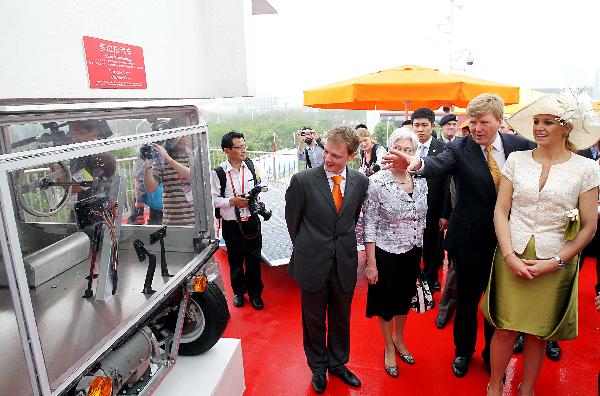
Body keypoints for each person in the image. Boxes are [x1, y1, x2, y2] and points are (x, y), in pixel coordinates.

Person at [382, 93, 536, 378]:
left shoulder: (521, 146)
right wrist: (415, 164)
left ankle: (493, 355)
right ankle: (463, 352)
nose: (477, 128)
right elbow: (437, 165)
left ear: (500, 121)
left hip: (511, 242)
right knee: (466, 303)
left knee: (499, 304)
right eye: (473, 122)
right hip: (469, 241)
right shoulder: (458, 147)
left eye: (484, 122)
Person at [483, 89, 600, 396]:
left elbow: (589, 227)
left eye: (548, 122)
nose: (539, 128)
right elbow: (500, 210)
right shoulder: (517, 159)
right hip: (513, 252)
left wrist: (557, 261)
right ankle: (495, 384)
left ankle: (527, 389)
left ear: (567, 127)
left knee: (538, 334)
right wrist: (508, 254)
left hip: (557, 260)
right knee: (505, 327)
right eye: (537, 121)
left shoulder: (586, 169)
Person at [285, 126, 369, 394]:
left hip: (344, 260)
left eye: (337, 156)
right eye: (327, 153)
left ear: (352, 156)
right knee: (313, 319)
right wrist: (308, 248)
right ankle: (318, 367)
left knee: (341, 317)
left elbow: (352, 216)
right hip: (311, 260)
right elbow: (293, 222)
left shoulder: (360, 181)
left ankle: (338, 364)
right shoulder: (303, 181)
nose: (329, 160)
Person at [363, 127, 426, 378]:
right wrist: (371, 264)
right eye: (398, 148)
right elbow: (369, 223)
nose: (403, 154)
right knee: (385, 305)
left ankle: (399, 339)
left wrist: (420, 251)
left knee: (403, 301)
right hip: (385, 253)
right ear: (390, 151)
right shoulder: (377, 182)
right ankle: (388, 346)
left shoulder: (421, 179)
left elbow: (422, 218)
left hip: (412, 251)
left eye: (408, 150)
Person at [211, 131, 264, 310]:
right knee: (235, 261)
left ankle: (255, 294)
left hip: (251, 221)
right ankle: (239, 294)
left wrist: (256, 195)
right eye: (238, 147)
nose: (243, 150)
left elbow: (261, 184)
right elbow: (214, 200)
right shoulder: (218, 173)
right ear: (227, 150)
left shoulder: (251, 166)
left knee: (254, 261)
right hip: (232, 224)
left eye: (244, 146)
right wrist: (232, 201)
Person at [412, 108, 449, 293]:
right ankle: (415, 276)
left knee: (433, 246)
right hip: (410, 208)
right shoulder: (407, 147)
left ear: (432, 126)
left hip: (433, 206)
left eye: (424, 125)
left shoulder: (442, 149)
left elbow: (446, 184)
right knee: (413, 243)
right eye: (416, 125)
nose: (420, 129)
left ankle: (431, 277)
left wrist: (444, 213)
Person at [144, 117, 195, 226]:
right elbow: (151, 187)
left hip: (196, 222)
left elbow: (193, 176)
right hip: (172, 223)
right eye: (178, 135)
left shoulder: (194, 155)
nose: (183, 138)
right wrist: (147, 164)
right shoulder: (163, 160)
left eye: (185, 133)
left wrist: (169, 159)